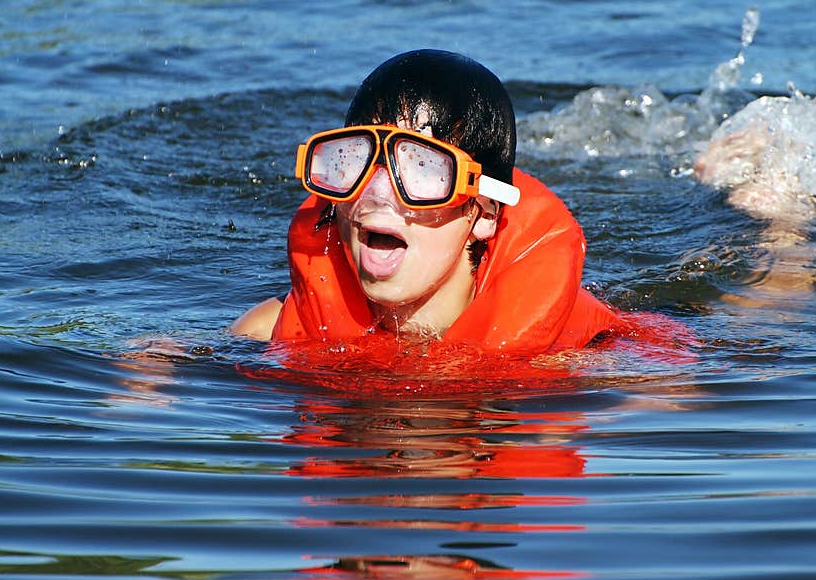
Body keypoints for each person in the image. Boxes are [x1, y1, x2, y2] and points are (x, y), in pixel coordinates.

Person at [231, 49, 632, 353]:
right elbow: (171, 357)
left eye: (422, 170)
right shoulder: (271, 331)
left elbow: (669, 385)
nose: (376, 194)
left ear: (485, 214)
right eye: (356, 161)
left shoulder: (576, 352)